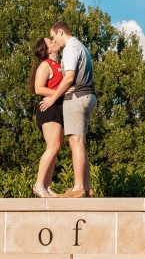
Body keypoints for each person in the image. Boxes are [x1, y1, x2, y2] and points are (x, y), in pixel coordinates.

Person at [39, 21, 96, 198]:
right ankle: (86, 188)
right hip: (88, 96)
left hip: (77, 98)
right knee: (80, 143)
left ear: (61, 32)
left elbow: (69, 77)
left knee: (75, 142)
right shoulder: (81, 46)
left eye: (54, 35)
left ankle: (78, 187)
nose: (54, 40)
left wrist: (53, 98)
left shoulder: (71, 48)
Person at [31, 37, 65, 198]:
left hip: (59, 107)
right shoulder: (45, 65)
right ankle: (38, 185)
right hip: (48, 108)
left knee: (56, 148)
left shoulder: (59, 64)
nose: (54, 41)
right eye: (50, 41)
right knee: (52, 147)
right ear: (47, 49)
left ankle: (47, 185)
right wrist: (62, 92)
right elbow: (38, 88)